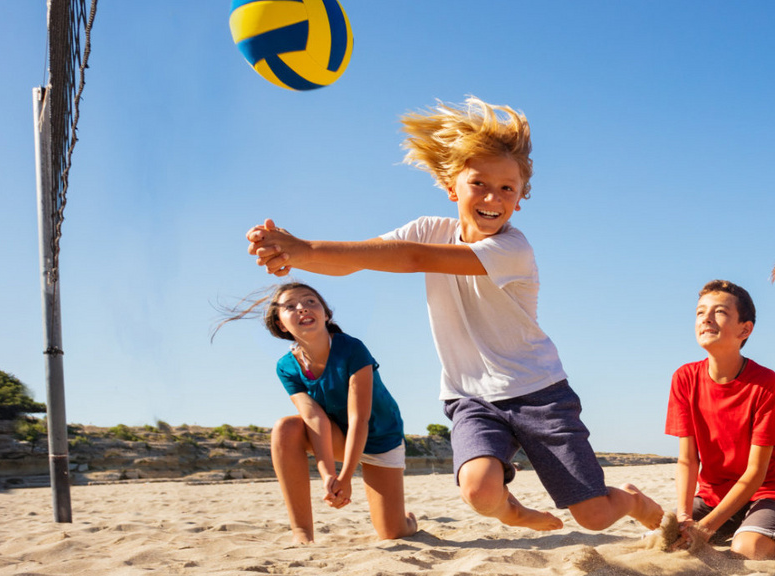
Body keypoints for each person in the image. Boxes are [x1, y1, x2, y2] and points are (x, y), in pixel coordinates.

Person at [245, 97, 663, 535]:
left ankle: (633, 500)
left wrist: (305, 250)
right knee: (479, 491)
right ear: (452, 187)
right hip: (471, 396)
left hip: (539, 392)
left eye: (507, 189)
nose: (492, 198)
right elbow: (361, 259)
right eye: (479, 183)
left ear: (521, 198)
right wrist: (293, 255)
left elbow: (410, 258)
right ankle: (515, 512)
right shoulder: (429, 227)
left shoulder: (512, 249)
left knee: (594, 517)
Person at [215, 282, 417, 544]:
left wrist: (345, 477)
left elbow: (359, 419)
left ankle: (408, 519)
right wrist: (328, 475)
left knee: (393, 533)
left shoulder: (352, 349)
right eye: (291, 306)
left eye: (311, 301)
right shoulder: (286, 366)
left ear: (326, 314)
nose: (302, 308)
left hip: (379, 438)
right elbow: (315, 419)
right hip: (337, 438)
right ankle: (302, 534)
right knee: (285, 428)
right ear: (281, 324)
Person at [664, 280, 775, 559]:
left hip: (766, 493)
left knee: (749, 550)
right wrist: (686, 515)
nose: (706, 319)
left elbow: (755, 474)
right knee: (667, 540)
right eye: (700, 312)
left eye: (720, 312)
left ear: (745, 329)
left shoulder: (766, 384)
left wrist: (707, 527)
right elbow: (688, 460)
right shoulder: (684, 379)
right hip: (713, 496)